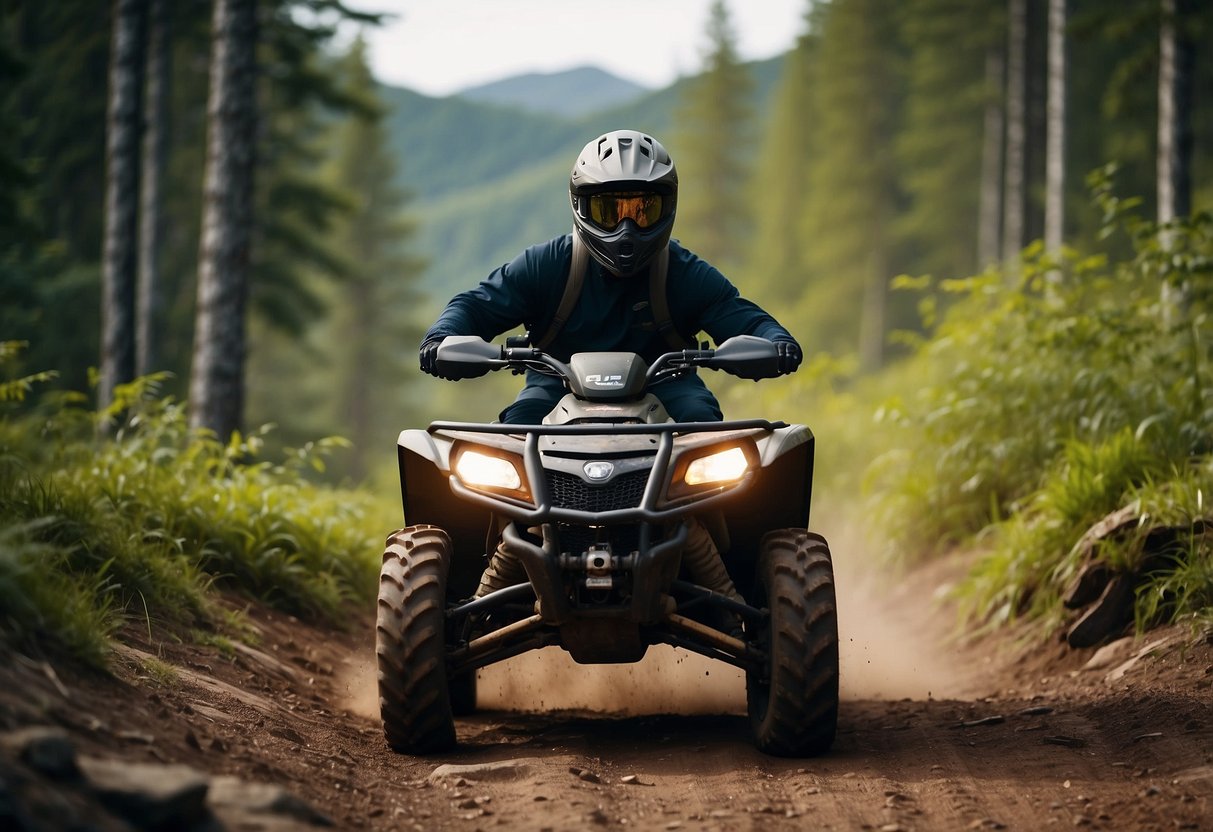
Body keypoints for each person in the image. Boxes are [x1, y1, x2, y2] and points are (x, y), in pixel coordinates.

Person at [418, 129, 802, 610]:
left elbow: (743, 316)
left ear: (668, 207)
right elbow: (474, 305)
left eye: (643, 210)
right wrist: (443, 338)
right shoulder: (547, 265)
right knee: (503, 449)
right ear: (581, 206)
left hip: (670, 388)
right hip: (552, 387)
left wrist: (775, 344)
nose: (626, 230)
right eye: (609, 210)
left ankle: (738, 584)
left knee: (720, 447)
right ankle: (483, 585)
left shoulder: (682, 272)